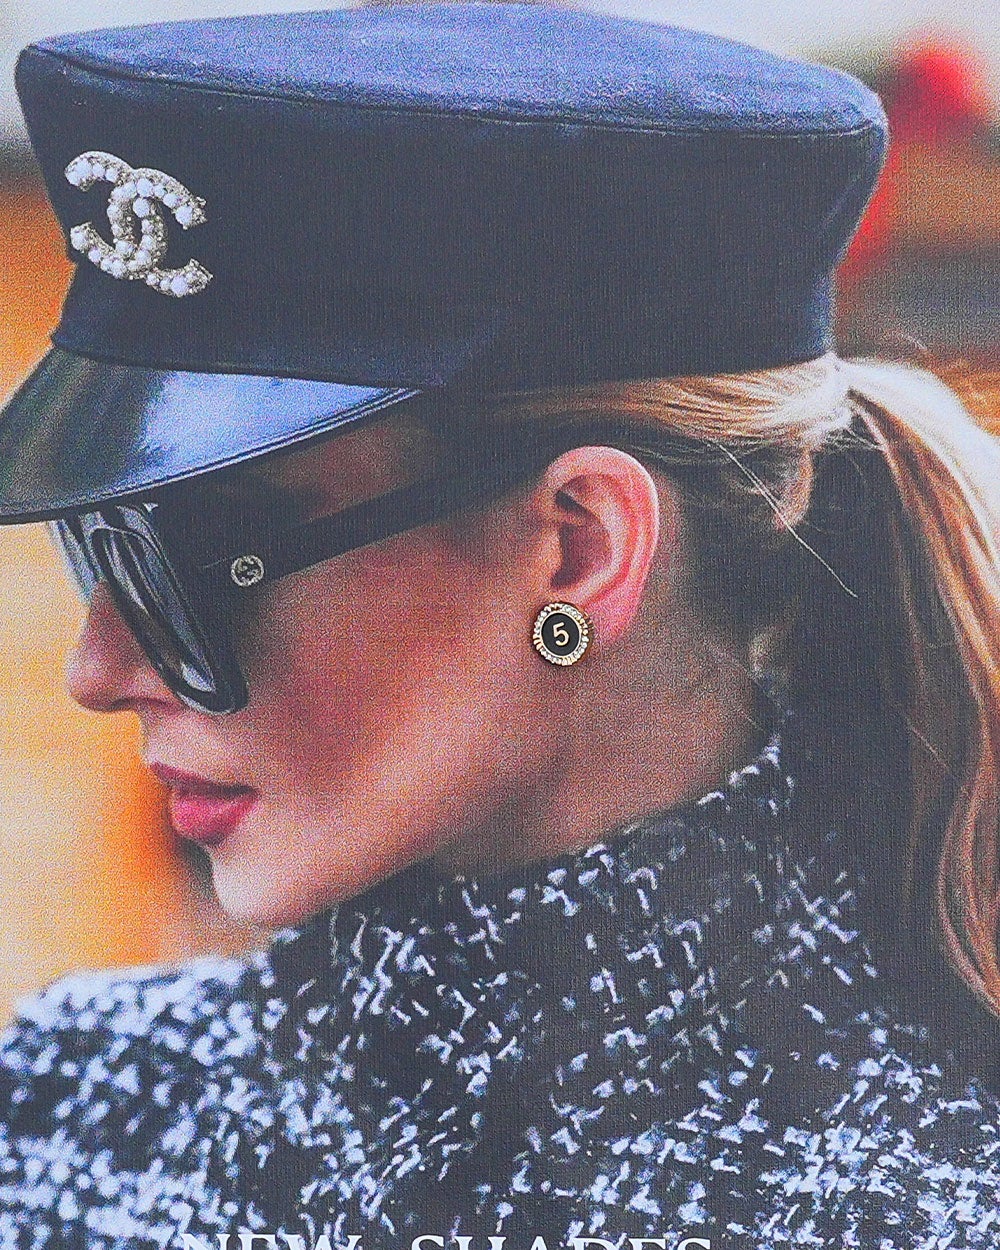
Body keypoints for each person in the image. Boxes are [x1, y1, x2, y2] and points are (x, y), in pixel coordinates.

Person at [0, 5, 998, 1248]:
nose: (97, 668)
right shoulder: (68, 1110)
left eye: (205, 553)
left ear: (580, 548)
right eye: (100, 540)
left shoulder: (918, 1204)